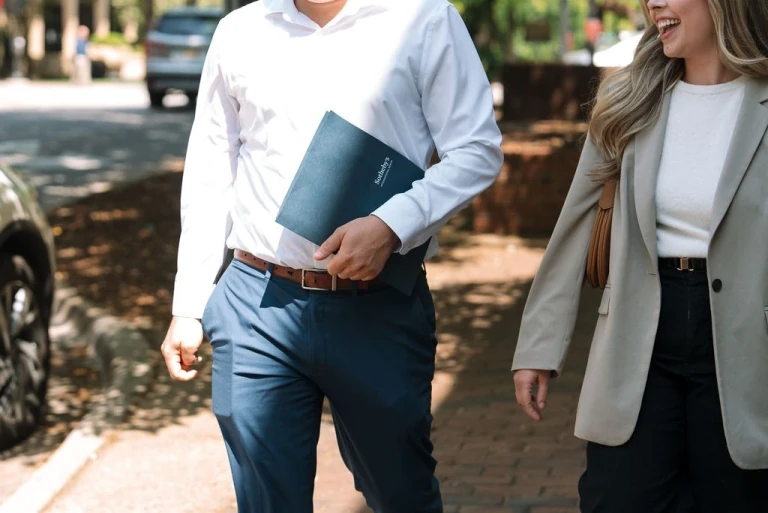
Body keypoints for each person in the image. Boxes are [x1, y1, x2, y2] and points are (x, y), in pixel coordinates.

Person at [160, 0, 503, 512]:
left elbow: (477, 149)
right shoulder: (239, 32)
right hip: (256, 303)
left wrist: (393, 224)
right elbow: (212, 169)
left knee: (400, 493)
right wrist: (188, 304)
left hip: (377, 307)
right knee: (267, 501)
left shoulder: (425, 19)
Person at [511, 0, 768, 511]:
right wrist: (539, 346)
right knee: (617, 496)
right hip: (639, 329)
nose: (654, 4)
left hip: (745, 339)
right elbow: (576, 223)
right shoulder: (631, 99)